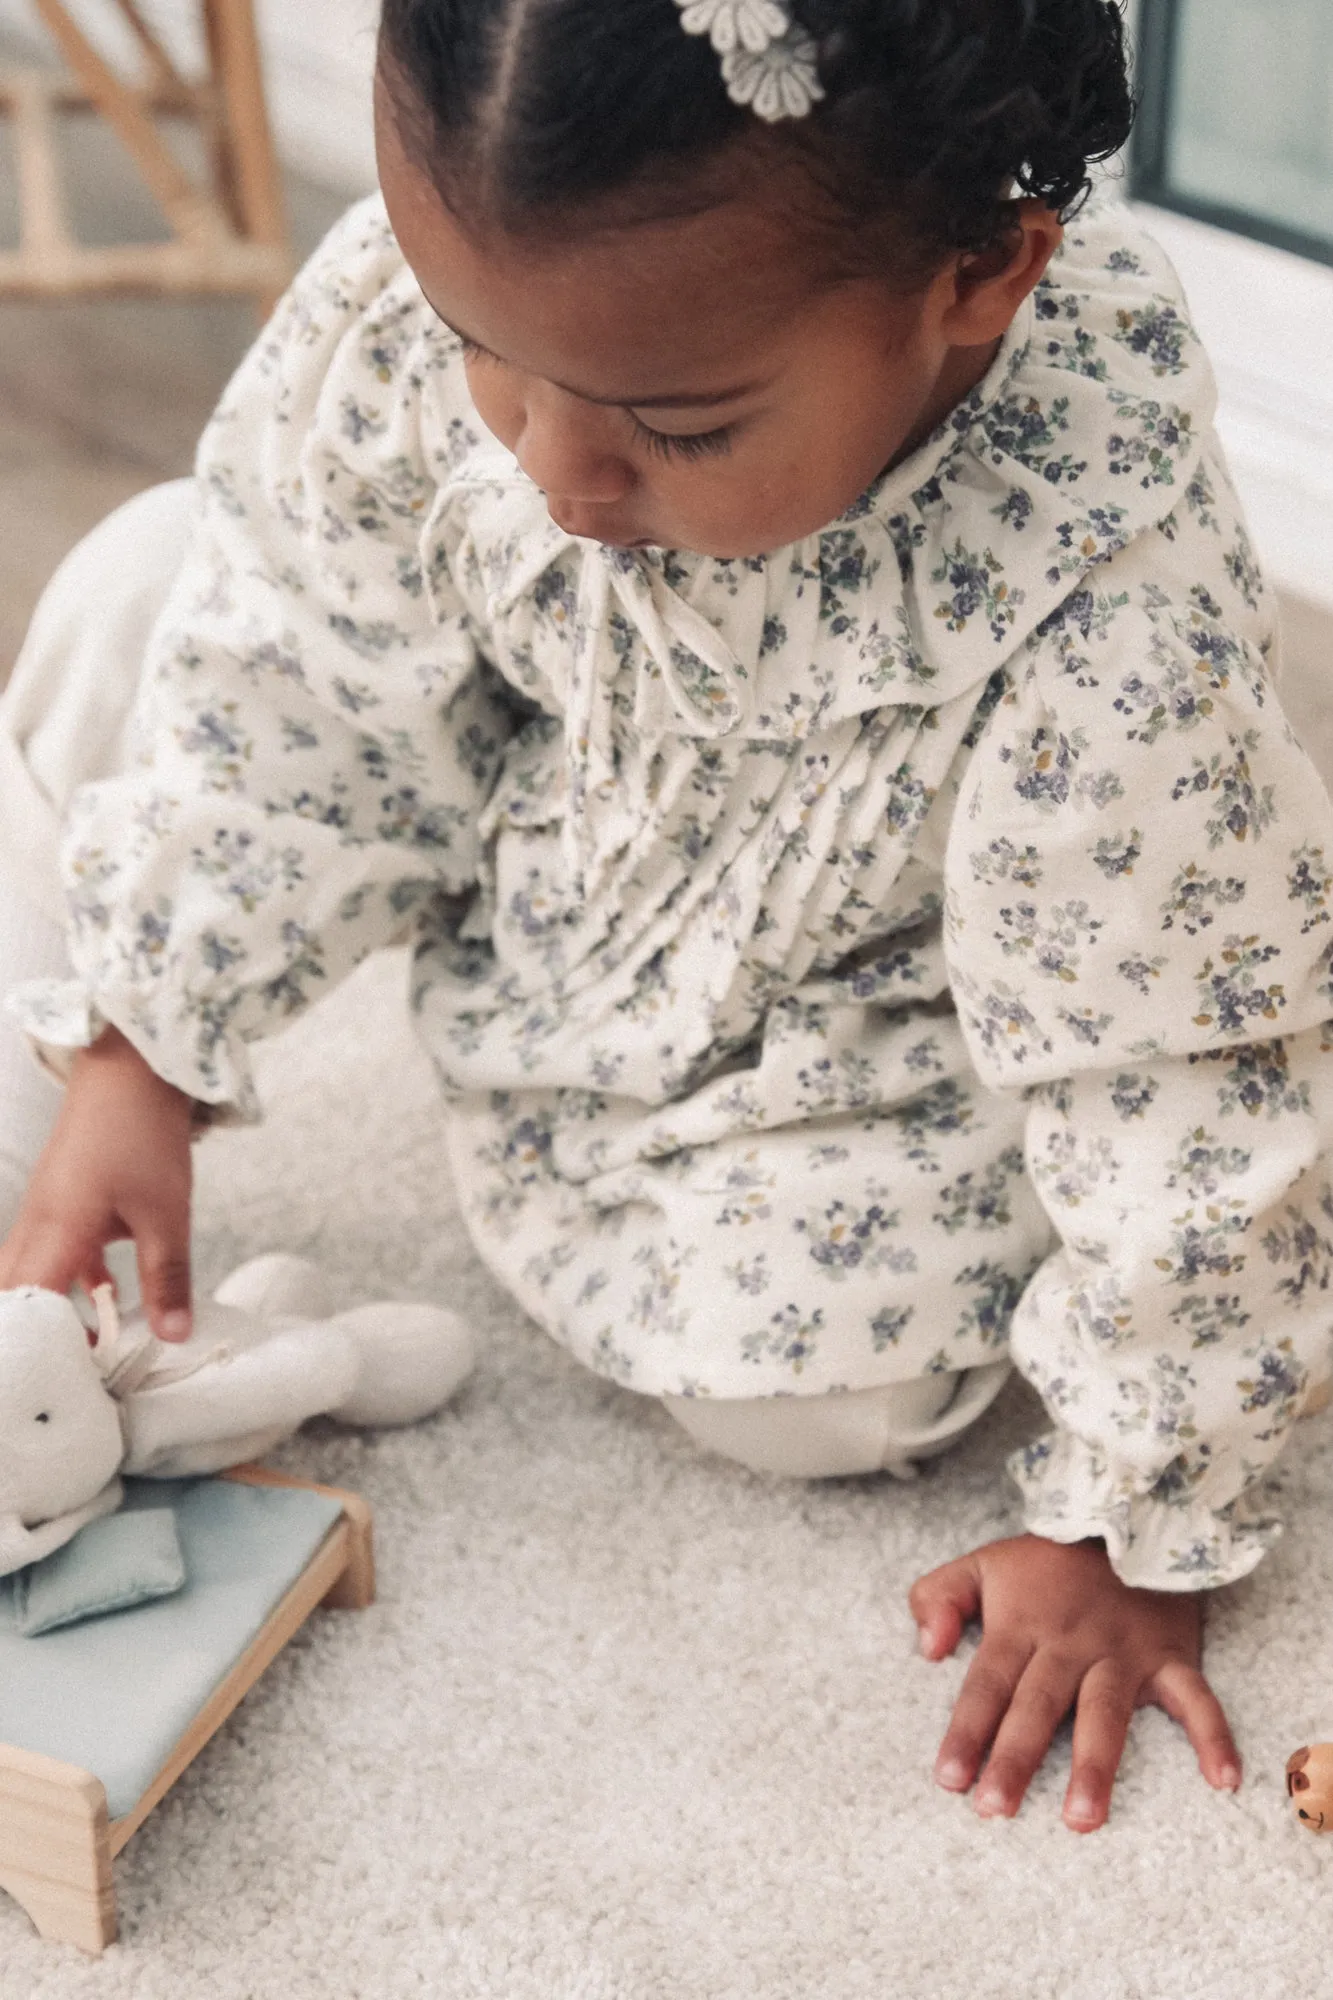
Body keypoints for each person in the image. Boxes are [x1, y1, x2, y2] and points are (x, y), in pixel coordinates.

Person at [0, 0, 1327, 1833]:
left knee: (832, 1402)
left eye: (680, 428)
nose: (552, 469)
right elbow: (294, 650)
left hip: (840, 1003)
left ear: (982, 276)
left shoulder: (1099, 593)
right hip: (543, 836)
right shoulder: (498, 290)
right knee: (154, 580)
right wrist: (146, 1044)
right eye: (489, 356)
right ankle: (71, 1079)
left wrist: (1130, 1511)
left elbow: (1174, 1065)